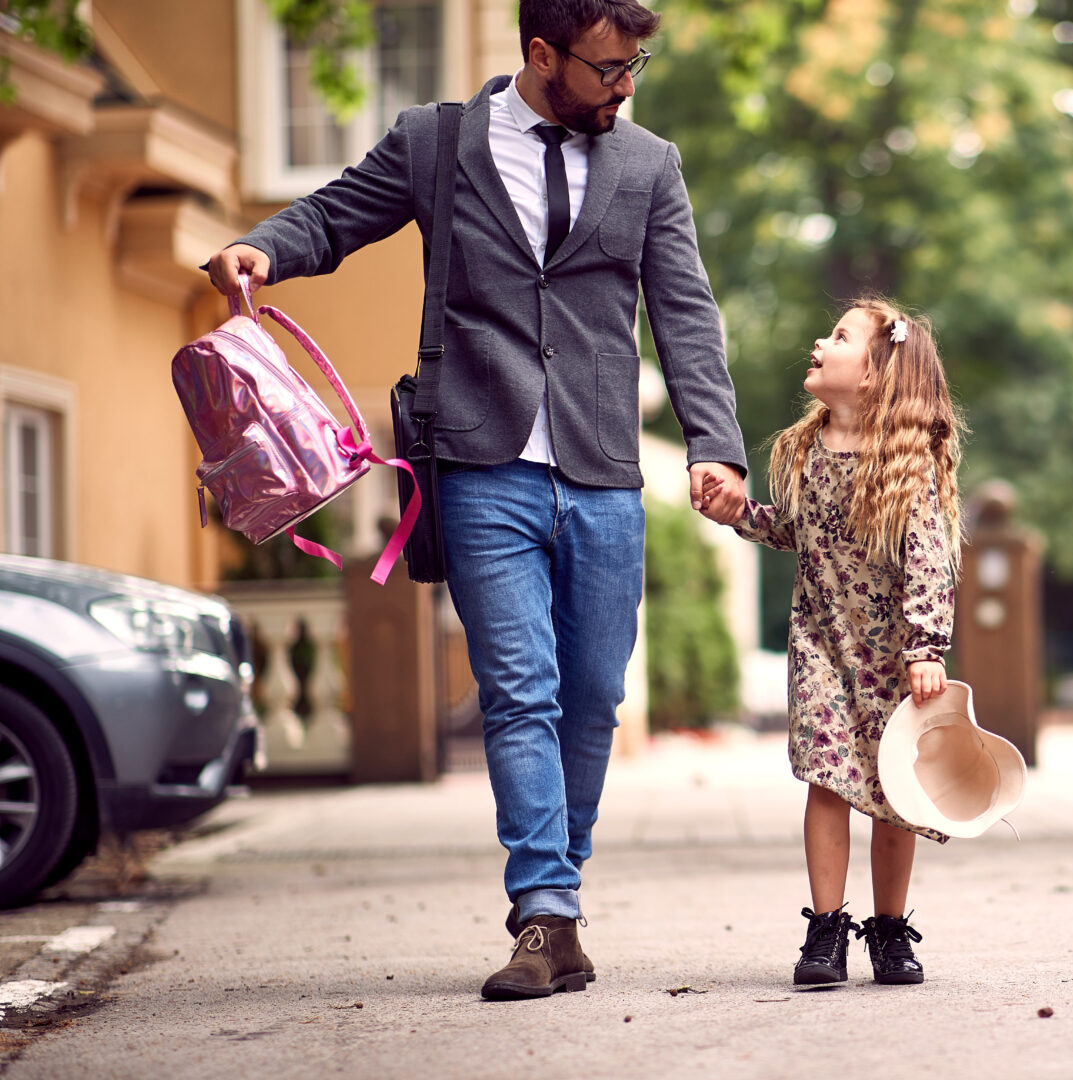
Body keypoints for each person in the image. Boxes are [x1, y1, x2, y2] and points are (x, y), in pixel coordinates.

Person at [203, 0, 747, 1001]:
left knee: (591, 696)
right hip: (480, 459)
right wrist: (265, 247)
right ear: (542, 55)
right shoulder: (438, 141)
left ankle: (561, 895)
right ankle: (543, 913)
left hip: (602, 470)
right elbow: (335, 212)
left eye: (638, 67)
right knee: (521, 692)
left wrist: (716, 447)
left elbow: (686, 312)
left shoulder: (649, 165)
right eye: (608, 68)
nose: (626, 86)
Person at [709, 298, 965, 986]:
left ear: (875, 376)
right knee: (826, 782)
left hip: (891, 658)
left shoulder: (905, 462)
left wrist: (925, 646)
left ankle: (889, 929)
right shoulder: (802, 448)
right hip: (821, 642)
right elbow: (796, 530)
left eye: (841, 336)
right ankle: (826, 930)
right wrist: (741, 515)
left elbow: (928, 557)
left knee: (893, 795)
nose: (820, 341)